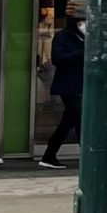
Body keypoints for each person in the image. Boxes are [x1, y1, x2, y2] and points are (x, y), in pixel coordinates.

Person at [36, 14, 85, 169]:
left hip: (81, 83)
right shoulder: (63, 36)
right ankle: (85, 154)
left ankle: (50, 154)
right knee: (77, 116)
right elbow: (57, 58)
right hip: (67, 84)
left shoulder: (85, 37)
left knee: (71, 119)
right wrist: (80, 54)